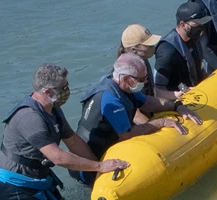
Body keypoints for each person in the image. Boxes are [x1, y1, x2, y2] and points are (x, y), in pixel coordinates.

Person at [0, 64, 127, 200]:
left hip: (40, 179)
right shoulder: (29, 117)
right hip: (15, 188)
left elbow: (73, 142)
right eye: (63, 88)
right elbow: (58, 157)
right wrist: (100, 166)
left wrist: (98, 170)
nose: (67, 91)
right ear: (48, 92)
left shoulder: (53, 109)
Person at [69, 54, 203, 186]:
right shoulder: (111, 100)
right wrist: (161, 122)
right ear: (126, 78)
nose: (145, 82)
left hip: (103, 150)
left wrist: (176, 106)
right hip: (88, 165)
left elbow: (147, 102)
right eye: (142, 79)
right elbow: (128, 134)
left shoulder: (121, 86)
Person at [154, 2, 217, 94]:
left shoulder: (193, 39)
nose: (201, 28)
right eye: (197, 24)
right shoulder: (167, 51)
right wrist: (180, 94)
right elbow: (158, 91)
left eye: (202, 24)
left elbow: (199, 67)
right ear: (183, 24)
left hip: (197, 90)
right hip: (177, 99)